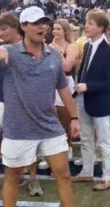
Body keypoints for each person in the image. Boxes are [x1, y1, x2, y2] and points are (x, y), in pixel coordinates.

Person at [0, 6, 80, 207]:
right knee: (12, 177)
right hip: (18, 129)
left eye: (44, 22)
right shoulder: (9, 52)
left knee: (64, 175)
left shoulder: (53, 55)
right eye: (36, 22)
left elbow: (62, 88)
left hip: (49, 127)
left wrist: (74, 117)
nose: (43, 26)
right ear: (23, 27)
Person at [0, 1, 44, 196]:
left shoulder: (29, 44)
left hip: (29, 101)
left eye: (4, 29)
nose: (0, 33)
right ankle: (15, 176)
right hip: (4, 99)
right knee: (9, 140)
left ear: (15, 28)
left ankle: (33, 179)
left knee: (32, 139)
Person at [72, 9, 110, 191]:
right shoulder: (87, 46)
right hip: (84, 100)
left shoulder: (108, 52)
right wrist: (79, 89)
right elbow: (85, 71)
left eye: (90, 23)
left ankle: (108, 177)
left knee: (104, 141)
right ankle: (87, 170)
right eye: (87, 22)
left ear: (101, 27)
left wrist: (88, 87)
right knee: (85, 138)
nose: (86, 26)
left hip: (99, 102)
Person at [38, 18, 78, 169]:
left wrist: (56, 51)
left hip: (66, 84)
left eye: (58, 29)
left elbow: (67, 67)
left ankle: (67, 148)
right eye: (54, 29)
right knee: (50, 118)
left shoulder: (71, 46)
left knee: (64, 119)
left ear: (65, 31)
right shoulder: (47, 46)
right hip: (50, 84)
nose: (55, 32)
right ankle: (48, 154)